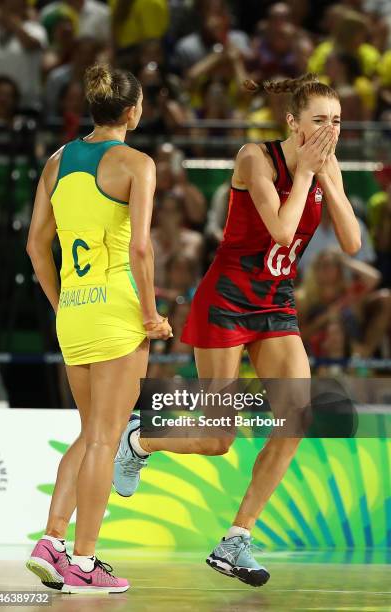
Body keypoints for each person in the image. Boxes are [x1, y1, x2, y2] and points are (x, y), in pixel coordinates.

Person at [114, 74, 362, 587]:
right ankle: (140, 439)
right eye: (319, 120)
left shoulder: (325, 164)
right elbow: (282, 230)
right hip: (226, 302)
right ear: (293, 123)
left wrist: (328, 179)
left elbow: (353, 242)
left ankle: (236, 537)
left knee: (298, 417)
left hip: (275, 303)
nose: (330, 131)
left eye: (337, 121)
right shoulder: (255, 157)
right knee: (216, 438)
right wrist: (310, 176)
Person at [25, 63, 172, 594]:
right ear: (133, 112)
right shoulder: (136, 163)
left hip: (75, 314)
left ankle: (52, 541)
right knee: (106, 441)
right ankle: (85, 561)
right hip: (117, 313)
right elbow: (140, 247)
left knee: (91, 434)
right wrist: (152, 315)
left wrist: (63, 304)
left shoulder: (56, 163)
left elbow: (35, 249)